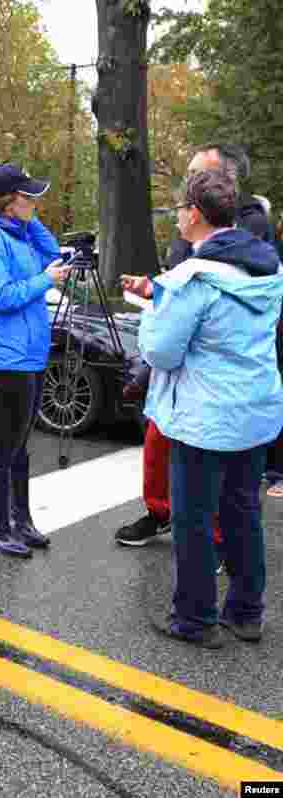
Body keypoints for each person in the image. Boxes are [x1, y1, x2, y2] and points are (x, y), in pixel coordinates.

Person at [138, 169, 283, 647]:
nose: (178, 217)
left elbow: (161, 351)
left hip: (205, 419)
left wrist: (151, 311)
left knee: (193, 518)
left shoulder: (194, 279)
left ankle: (195, 619)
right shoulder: (268, 268)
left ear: (195, 215)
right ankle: (246, 612)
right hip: (255, 411)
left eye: (180, 209)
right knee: (243, 512)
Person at [116, 142, 272, 546]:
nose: (189, 183)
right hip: (185, 374)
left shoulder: (247, 225)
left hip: (214, 381)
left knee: (218, 487)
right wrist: (157, 289)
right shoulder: (197, 238)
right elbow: (182, 285)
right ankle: (160, 511)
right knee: (159, 440)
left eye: (197, 174)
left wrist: (167, 300)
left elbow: (202, 295)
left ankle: (214, 548)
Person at [0, 163, 70, 558]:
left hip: (28, 353)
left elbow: (54, 250)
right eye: (29, 196)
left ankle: (20, 520)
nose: (36, 201)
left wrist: (29, 218)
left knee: (21, 443)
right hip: (8, 357)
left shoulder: (18, 232)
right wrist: (46, 281)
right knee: (6, 443)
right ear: (9, 202)